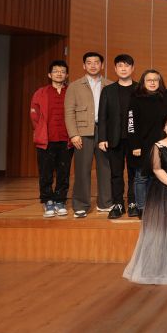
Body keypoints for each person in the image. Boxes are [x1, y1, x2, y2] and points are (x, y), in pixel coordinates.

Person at [123, 114, 167, 284]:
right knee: (161, 230)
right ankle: (159, 268)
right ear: (164, 128)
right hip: (162, 191)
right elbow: (157, 169)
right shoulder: (157, 146)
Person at [64, 52, 113, 218]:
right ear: (84, 65)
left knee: (105, 168)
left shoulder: (110, 85)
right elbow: (69, 112)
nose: (93, 65)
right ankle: (80, 205)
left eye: (96, 62)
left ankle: (105, 203)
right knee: (82, 169)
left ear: (102, 65)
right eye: (89, 62)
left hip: (104, 132)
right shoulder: (74, 86)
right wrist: (73, 134)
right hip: (82, 133)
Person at [98, 54, 139, 219]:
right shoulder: (108, 90)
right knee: (116, 173)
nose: (123, 69)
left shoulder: (139, 89)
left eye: (127, 65)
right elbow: (102, 116)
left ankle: (133, 203)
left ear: (132, 68)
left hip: (134, 140)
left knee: (134, 173)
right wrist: (102, 138)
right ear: (115, 69)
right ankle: (118, 204)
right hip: (114, 139)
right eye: (120, 66)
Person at [30, 60, 73, 217]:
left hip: (66, 140)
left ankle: (60, 200)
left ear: (66, 75)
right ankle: (48, 200)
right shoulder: (40, 93)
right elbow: (34, 115)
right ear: (49, 74)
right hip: (46, 140)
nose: (59, 74)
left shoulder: (71, 92)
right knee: (46, 172)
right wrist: (40, 131)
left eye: (62, 71)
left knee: (64, 172)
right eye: (55, 71)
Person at [127, 69, 167, 216]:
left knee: (156, 177)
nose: (152, 83)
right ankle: (142, 208)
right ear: (143, 82)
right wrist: (135, 145)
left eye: (155, 80)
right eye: (149, 80)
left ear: (160, 82)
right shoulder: (136, 99)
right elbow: (131, 125)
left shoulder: (164, 99)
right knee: (141, 177)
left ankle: (153, 207)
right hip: (141, 145)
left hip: (161, 145)